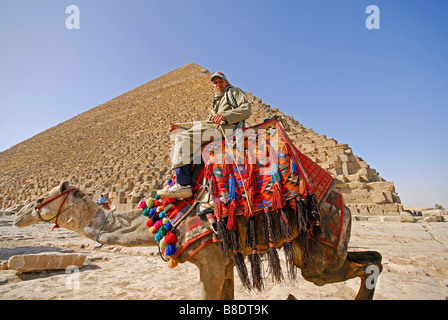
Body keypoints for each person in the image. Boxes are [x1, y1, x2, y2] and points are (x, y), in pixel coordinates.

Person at [157, 71, 252, 198]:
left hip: (227, 130)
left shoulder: (234, 92)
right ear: (213, 86)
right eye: (215, 82)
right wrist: (181, 128)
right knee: (180, 137)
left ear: (226, 82)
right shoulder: (216, 101)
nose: (218, 84)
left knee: (182, 138)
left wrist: (225, 116)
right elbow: (204, 125)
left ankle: (183, 185)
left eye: (221, 81)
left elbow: (246, 108)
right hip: (214, 129)